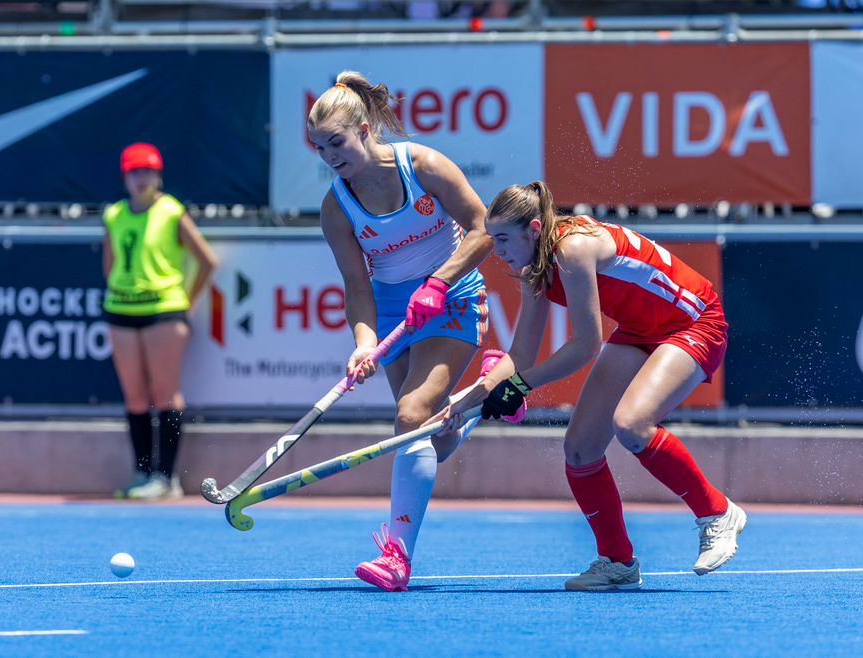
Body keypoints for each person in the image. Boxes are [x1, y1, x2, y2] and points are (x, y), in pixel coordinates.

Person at [432, 181, 746, 591]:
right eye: (493, 239)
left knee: (631, 424)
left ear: (533, 229)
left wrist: (519, 387)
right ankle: (617, 564)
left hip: (694, 321)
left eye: (503, 238)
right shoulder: (533, 272)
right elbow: (519, 356)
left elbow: (585, 345)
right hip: (640, 329)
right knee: (580, 449)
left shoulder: (572, 249)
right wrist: (464, 401)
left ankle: (717, 512)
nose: (497, 250)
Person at [307, 71, 493, 592]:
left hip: (453, 298)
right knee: (429, 436)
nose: (329, 156)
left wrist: (439, 281)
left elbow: (483, 228)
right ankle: (487, 395)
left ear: (364, 129)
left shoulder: (424, 165)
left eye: (336, 142)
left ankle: (397, 556)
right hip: (392, 313)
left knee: (411, 416)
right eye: (319, 147)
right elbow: (356, 285)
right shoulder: (335, 207)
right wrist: (364, 343)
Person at [103, 142, 218, 500]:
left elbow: (206, 260)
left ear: (158, 175)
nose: (141, 178)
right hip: (121, 309)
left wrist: (185, 303)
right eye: (134, 172)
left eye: (148, 171)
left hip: (163, 311)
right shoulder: (114, 214)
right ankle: (142, 473)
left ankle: (166, 477)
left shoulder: (170, 211)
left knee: (165, 394)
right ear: (124, 176)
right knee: (135, 396)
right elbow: (109, 263)